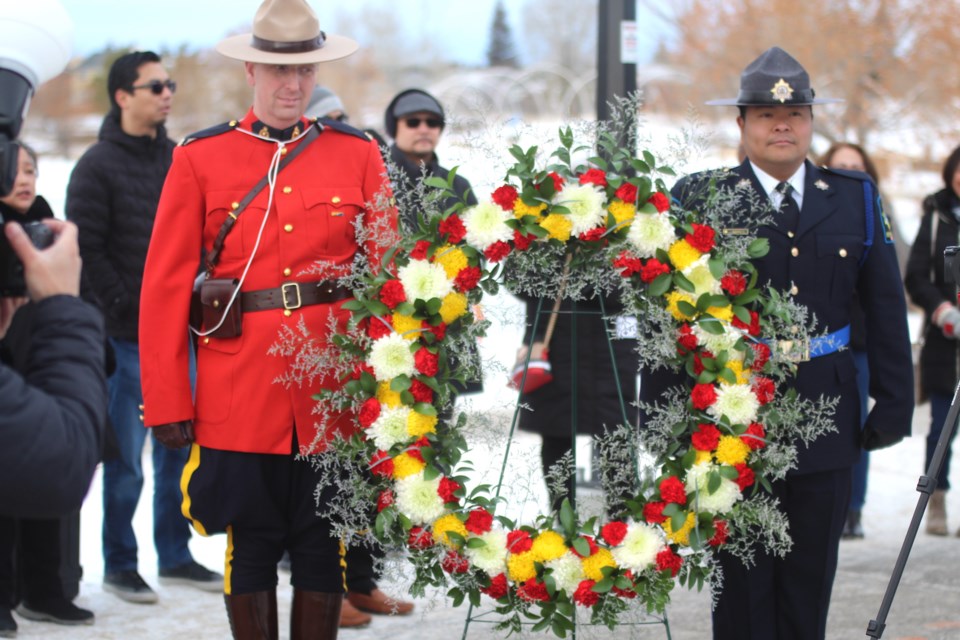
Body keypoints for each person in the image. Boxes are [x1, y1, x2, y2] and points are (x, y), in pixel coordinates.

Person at [137, 0, 396, 637]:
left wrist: (391, 391)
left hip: (333, 384)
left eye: (306, 73)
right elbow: (166, 287)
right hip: (240, 384)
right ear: (250, 72)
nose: (292, 85)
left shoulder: (357, 154)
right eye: (278, 72)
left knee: (322, 539)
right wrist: (168, 397)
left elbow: (389, 284)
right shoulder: (202, 157)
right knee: (250, 540)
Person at [653, 47, 913, 640]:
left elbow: (885, 307)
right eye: (766, 115)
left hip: (827, 413)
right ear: (740, 124)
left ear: (812, 122)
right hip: (728, 419)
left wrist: (895, 403)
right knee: (740, 586)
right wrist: (665, 409)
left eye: (796, 114)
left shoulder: (854, 197)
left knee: (808, 580)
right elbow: (667, 313)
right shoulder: (700, 198)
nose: (782, 125)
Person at [66, 51, 221, 605]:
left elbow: (200, 237)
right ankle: (121, 564)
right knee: (127, 461)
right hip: (126, 338)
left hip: (184, 334)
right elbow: (86, 250)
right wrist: (129, 308)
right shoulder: (95, 165)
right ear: (122, 96)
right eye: (154, 85)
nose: (167, 93)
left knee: (179, 451)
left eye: (170, 84)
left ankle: (175, 556)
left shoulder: (180, 159)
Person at [301, 86, 413, 630]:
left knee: (364, 474)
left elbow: (381, 244)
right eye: (329, 119)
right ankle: (329, 585)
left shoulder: (362, 160)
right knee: (317, 481)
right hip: (315, 342)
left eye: (343, 117)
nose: (340, 128)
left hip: (363, 338)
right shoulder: (298, 176)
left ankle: (363, 581)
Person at [0, 144, 97, 635]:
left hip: (47, 370)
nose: (25, 179)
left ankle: (48, 589)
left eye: (32, 169)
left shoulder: (51, 230)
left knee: (51, 504)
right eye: (14, 169)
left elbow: (81, 293)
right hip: (18, 370)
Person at [817, 142, 884, 540]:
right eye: (840, 166)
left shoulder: (872, 214)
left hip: (857, 344)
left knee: (854, 428)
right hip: (819, 343)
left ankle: (853, 508)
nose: (848, 173)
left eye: (856, 167)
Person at [904, 144, 960, 537]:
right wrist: (943, 311)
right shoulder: (937, 213)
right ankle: (936, 496)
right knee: (942, 424)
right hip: (946, 336)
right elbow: (917, 275)